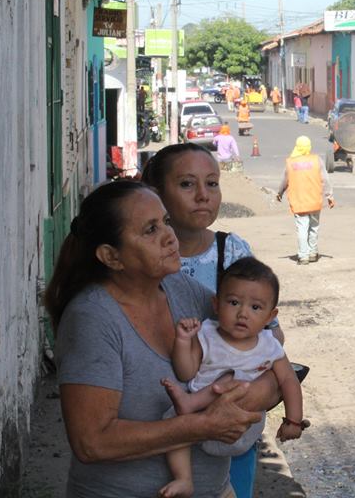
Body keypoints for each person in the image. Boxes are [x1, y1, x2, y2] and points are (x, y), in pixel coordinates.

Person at [44, 180, 281, 497]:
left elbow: (261, 347)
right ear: (111, 256)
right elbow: (92, 442)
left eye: (165, 222)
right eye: (149, 230)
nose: (169, 236)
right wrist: (204, 425)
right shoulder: (93, 319)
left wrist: (254, 393)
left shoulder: (178, 288)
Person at [141, 143, 285, 498]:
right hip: (156, 420)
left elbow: (269, 338)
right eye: (187, 185)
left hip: (226, 422)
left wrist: (256, 392)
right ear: (156, 195)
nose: (203, 196)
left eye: (213, 183)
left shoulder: (231, 252)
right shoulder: (140, 260)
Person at [160, 257, 305, 498]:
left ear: (271, 316)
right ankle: (184, 478)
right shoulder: (206, 333)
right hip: (196, 418)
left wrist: (294, 420)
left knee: (228, 383)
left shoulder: (269, 345)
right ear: (216, 304)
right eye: (234, 302)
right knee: (171, 421)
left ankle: (190, 405)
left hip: (242, 426)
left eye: (255, 307)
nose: (243, 314)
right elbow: (186, 371)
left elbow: (289, 381)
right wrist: (183, 342)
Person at [276, 135, 335, 265]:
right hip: (315, 201)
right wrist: (329, 196)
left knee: (302, 228)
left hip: (299, 201)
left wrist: (279, 193)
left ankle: (303, 256)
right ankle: (313, 253)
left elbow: (284, 180)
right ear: (309, 147)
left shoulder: (291, 162)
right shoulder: (317, 160)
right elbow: (325, 179)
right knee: (314, 228)